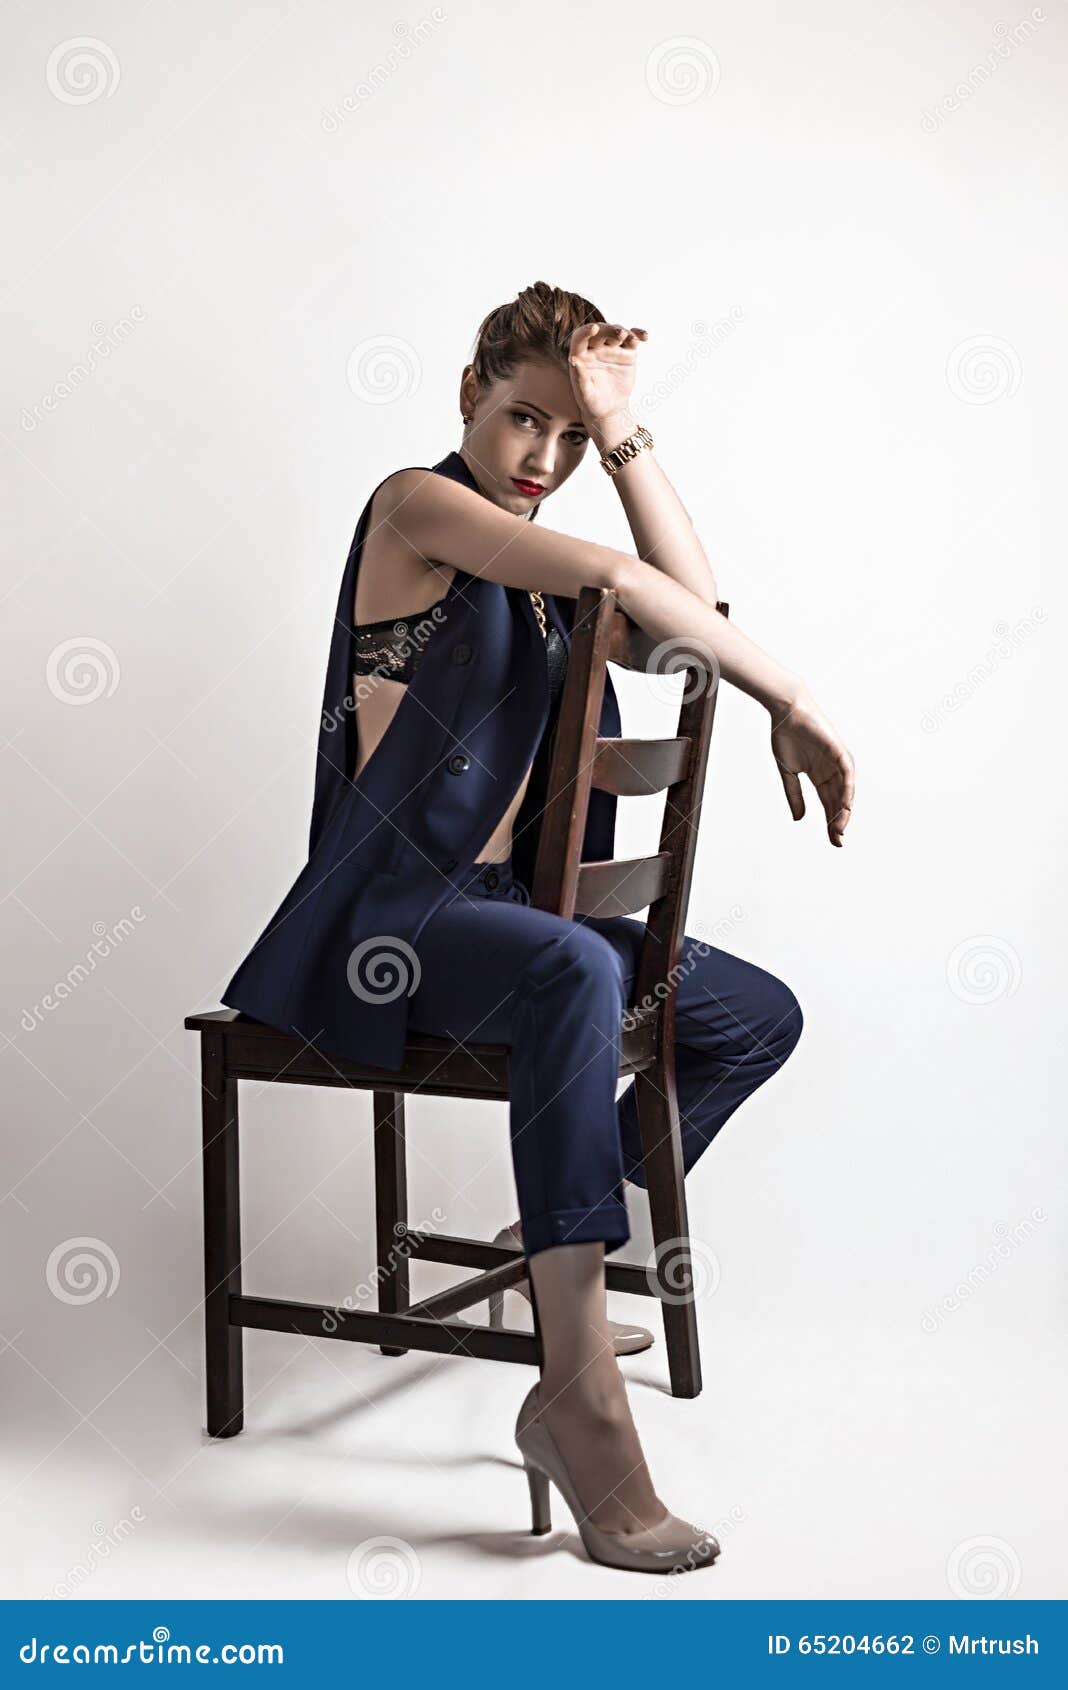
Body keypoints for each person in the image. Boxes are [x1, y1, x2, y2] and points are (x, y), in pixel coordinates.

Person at [226, 280, 855, 1574]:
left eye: (567, 440)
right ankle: (579, 1401)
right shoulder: (419, 509)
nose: (542, 459)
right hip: (387, 929)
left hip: (514, 929)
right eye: (527, 420)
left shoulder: (555, 580)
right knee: (575, 967)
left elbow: (688, 603)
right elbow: (631, 578)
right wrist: (786, 693)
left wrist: (624, 430)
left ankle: (557, 1227)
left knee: (748, 1014)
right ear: (470, 395)